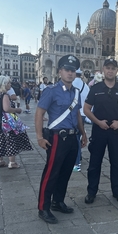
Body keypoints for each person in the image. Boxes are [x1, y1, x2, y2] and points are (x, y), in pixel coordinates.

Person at [35, 55, 87, 224]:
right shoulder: (51, 91)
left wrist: (83, 133)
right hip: (57, 137)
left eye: (73, 71)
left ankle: (58, 201)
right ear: (60, 72)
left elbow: (77, 113)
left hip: (72, 137)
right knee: (51, 172)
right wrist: (39, 137)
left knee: (65, 172)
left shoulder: (76, 92)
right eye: (67, 70)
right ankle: (43, 207)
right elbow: (39, 113)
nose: (70, 73)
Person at [83, 58, 118, 204]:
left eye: (113, 68)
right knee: (94, 163)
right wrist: (98, 122)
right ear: (103, 70)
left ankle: (117, 192)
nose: (110, 71)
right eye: (108, 68)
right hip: (99, 131)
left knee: (116, 163)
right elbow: (86, 109)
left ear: (117, 71)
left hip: (116, 132)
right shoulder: (96, 89)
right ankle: (91, 192)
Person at [0, 76, 33, 168]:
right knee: (10, 140)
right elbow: (6, 109)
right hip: (7, 122)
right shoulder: (5, 95)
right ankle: (12, 162)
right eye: (8, 83)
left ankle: (0, 160)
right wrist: (17, 109)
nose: (10, 85)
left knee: (0, 140)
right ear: (4, 85)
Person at [72, 68, 90, 171]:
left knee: (73, 137)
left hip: (72, 115)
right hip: (83, 114)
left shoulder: (70, 84)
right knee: (79, 136)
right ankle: (78, 157)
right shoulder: (86, 86)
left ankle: (76, 161)